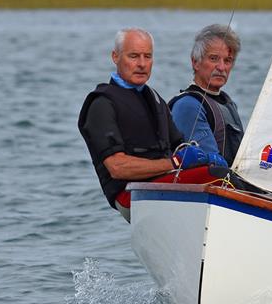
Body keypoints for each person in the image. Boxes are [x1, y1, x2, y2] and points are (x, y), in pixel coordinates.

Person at [78, 28, 222, 222]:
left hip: (164, 184)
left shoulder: (155, 100)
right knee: (217, 176)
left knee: (225, 173)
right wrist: (175, 163)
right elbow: (117, 167)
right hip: (132, 195)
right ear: (115, 56)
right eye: (134, 56)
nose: (142, 64)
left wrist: (204, 158)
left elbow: (179, 145)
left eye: (148, 56)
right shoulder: (101, 104)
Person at [169, 24, 245, 165]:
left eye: (227, 60)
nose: (221, 67)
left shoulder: (228, 104)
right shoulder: (188, 106)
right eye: (214, 59)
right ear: (195, 62)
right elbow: (210, 166)